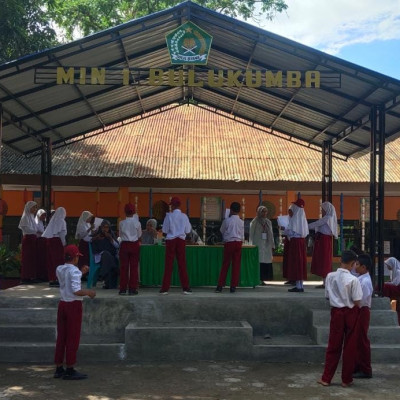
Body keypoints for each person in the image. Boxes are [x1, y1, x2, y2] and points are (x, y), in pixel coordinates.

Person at [318, 249, 362, 388]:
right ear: (353, 264)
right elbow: (357, 301)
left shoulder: (330, 276)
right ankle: (346, 379)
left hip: (336, 312)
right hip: (350, 312)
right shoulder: (353, 279)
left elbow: (327, 296)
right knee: (349, 346)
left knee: (333, 345)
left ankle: (326, 378)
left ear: (340, 260)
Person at [53, 244, 96, 380]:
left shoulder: (59, 269)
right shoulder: (75, 271)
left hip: (63, 304)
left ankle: (59, 367)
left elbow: (68, 277)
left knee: (61, 337)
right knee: (72, 337)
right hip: (74, 306)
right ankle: (70, 367)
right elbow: (76, 290)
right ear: (76, 257)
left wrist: (81, 272)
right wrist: (89, 293)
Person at [160, 196, 192, 295]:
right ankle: (186, 288)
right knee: (182, 264)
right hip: (181, 240)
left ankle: (165, 289)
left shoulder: (168, 216)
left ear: (173, 206)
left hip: (171, 240)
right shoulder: (184, 216)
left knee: (168, 265)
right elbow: (188, 231)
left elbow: (164, 230)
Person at [215, 202, 244, 293]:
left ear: (231, 210)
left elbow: (222, 230)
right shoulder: (241, 222)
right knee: (236, 265)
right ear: (239, 211)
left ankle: (220, 285)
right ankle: (233, 286)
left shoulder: (227, 221)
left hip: (229, 243)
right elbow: (242, 235)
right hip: (238, 242)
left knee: (225, 264)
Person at [308, 201, 338, 288]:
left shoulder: (327, 218)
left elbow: (316, 224)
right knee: (324, 260)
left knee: (324, 260)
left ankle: (326, 283)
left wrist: (304, 226)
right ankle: (325, 282)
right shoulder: (329, 218)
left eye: (323, 209)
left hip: (324, 241)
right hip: (324, 240)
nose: (322, 211)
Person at [353, 253, 373, 379]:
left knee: (362, 340)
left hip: (362, 310)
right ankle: (359, 366)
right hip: (359, 310)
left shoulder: (365, 281)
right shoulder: (361, 278)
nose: (355, 266)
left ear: (364, 267)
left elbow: (361, 300)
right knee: (357, 340)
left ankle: (366, 369)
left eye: (358, 264)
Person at [283, 199, 309, 293]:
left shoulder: (294, 219)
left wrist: (284, 229)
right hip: (301, 242)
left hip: (295, 242)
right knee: (300, 263)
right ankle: (300, 284)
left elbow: (289, 231)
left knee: (296, 263)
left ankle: (298, 286)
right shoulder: (302, 218)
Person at [118, 203, 142, 295]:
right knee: (134, 267)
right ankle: (132, 288)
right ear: (134, 212)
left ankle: (123, 288)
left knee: (123, 267)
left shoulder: (121, 223)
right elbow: (139, 235)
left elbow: (120, 235)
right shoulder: (137, 223)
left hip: (124, 245)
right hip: (134, 245)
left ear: (125, 212)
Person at [42, 207, 67, 287]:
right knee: (59, 261)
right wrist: (64, 243)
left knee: (51, 261)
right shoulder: (62, 221)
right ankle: (58, 279)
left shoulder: (53, 220)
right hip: (57, 242)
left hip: (50, 241)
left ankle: (52, 279)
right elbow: (62, 234)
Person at [249, 205, 275, 284]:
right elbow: (251, 233)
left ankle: (263, 278)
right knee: (259, 261)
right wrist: (251, 244)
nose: (264, 213)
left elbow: (271, 233)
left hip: (266, 245)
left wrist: (272, 245)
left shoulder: (268, 222)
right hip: (258, 244)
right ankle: (257, 278)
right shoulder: (255, 222)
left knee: (265, 261)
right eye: (263, 211)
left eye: (265, 211)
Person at [91, 219, 119, 289]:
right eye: (103, 227)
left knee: (110, 258)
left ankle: (103, 275)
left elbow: (117, 246)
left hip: (111, 256)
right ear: (101, 227)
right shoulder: (97, 234)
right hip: (99, 256)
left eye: (107, 227)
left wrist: (111, 239)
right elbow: (92, 244)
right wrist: (96, 239)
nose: (105, 229)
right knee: (106, 255)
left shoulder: (111, 234)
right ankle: (110, 271)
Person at [18, 201, 39, 282]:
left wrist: (34, 231)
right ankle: (25, 277)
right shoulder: (25, 218)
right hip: (28, 240)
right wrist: (34, 231)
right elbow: (26, 229)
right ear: (29, 207)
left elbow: (35, 229)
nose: (35, 209)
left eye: (36, 207)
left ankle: (31, 276)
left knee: (32, 258)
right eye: (33, 207)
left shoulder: (31, 217)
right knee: (27, 258)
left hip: (33, 239)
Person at [382, 257, 400, 325]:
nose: (387, 266)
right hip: (396, 287)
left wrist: (387, 283)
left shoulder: (398, 271)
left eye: (388, 265)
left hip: (398, 288)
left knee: (385, 286)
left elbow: (395, 283)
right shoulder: (393, 271)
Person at [35, 209, 49, 282]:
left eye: (45, 215)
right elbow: (37, 231)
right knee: (39, 259)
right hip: (38, 242)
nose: (44, 217)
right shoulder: (36, 222)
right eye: (42, 215)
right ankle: (38, 275)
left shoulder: (42, 223)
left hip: (43, 242)